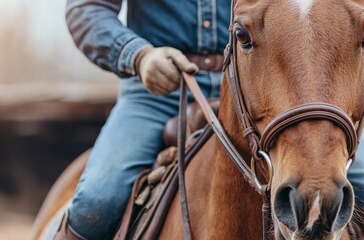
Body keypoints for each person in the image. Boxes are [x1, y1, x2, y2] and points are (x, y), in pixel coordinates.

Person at [55, 0, 364, 239]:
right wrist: (137, 55)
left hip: (264, 85)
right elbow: (87, 9)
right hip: (156, 91)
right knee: (97, 202)